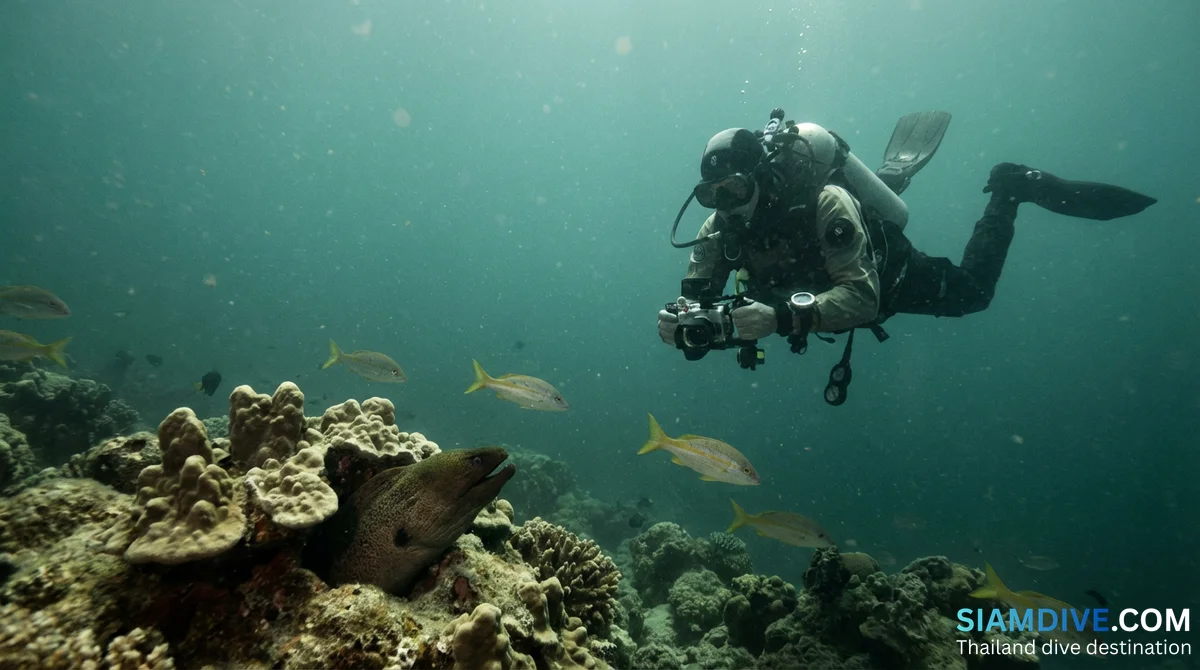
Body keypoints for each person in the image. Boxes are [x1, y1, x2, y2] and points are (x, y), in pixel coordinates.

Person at [657, 109, 1156, 404]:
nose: (726, 205)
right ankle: (886, 181)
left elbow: (863, 299)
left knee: (973, 294)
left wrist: (776, 318)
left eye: (735, 188)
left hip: (888, 274)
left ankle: (1008, 191)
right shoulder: (718, 228)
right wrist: (681, 325)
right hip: (811, 291)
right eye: (712, 194)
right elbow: (695, 301)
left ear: (761, 178)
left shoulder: (822, 203)